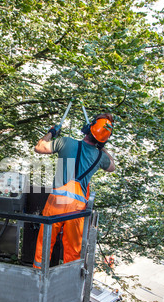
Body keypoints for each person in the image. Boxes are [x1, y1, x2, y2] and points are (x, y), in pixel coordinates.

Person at [32, 113, 115, 269]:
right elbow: (112, 166)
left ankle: (38, 276)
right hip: (77, 209)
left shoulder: (66, 143)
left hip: (56, 202)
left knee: (44, 244)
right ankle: (68, 283)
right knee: (72, 251)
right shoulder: (99, 156)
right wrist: (101, 146)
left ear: (88, 129)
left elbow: (39, 147)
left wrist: (52, 132)